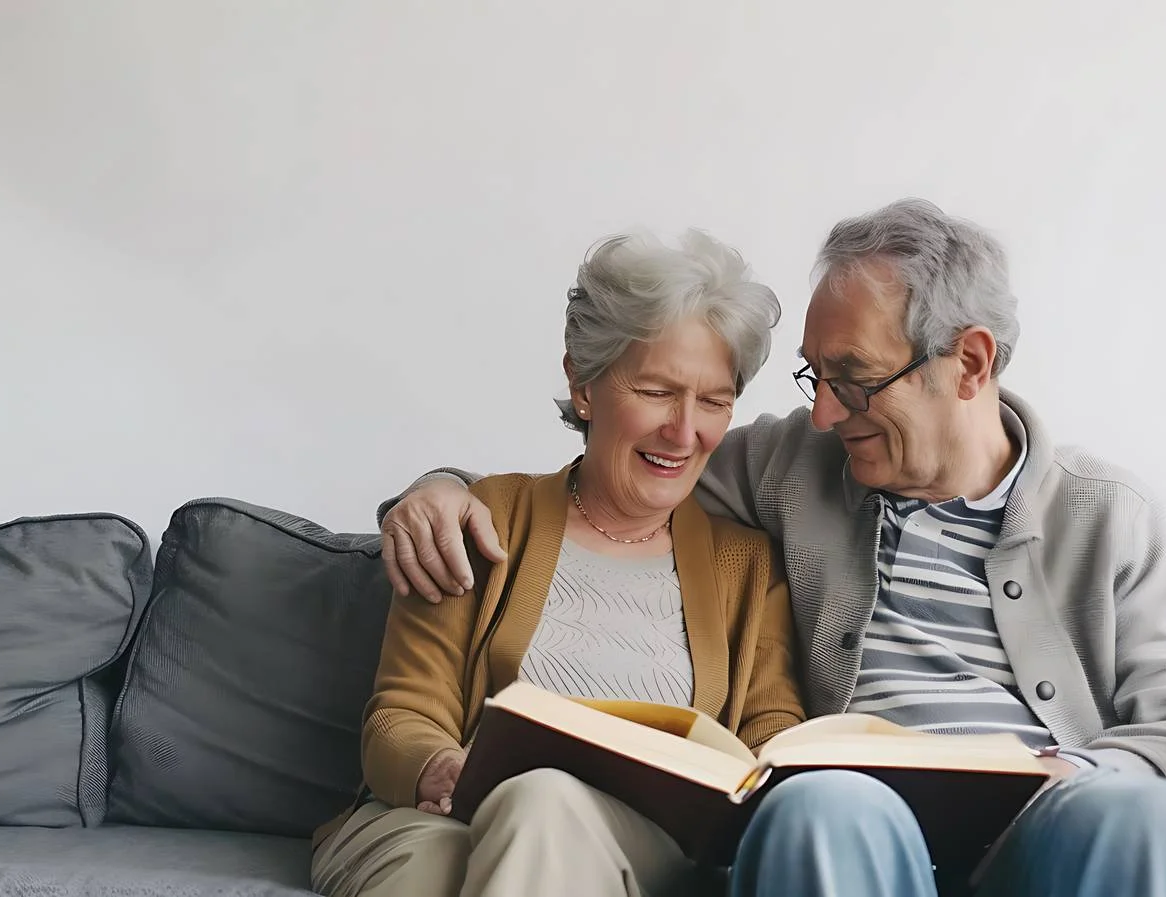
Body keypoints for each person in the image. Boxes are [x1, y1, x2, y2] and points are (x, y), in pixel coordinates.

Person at [377, 199, 1166, 897]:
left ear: (972, 363)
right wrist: (439, 486)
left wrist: (1070, 772)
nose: (826, 413)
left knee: (1155, 821)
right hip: (861, 815)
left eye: (855, 379)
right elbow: (620, 475)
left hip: (1050, 824)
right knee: (823, 805)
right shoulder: (800, 463)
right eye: (815, 376)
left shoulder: (1112, 515)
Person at [310, 229, 805, 897]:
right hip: (448, 818)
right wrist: (440, 765)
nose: (685, 431)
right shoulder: (483, 519)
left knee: (543, 800)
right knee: (444, 865)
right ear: (583, 383)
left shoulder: (748, 564)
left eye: (714, 401)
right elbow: (403, 709)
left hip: (644, 843)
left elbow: (774, 728)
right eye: (657, 390)